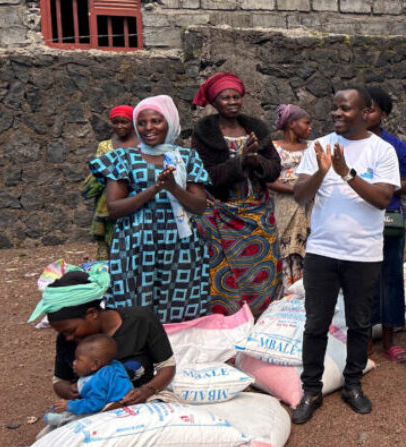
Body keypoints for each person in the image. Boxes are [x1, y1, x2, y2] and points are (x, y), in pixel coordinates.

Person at [289, 86, 399, 424]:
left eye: (345, 109)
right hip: (322, 251)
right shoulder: (318, 147)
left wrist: (346, 174)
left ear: (366, 112)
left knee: (359, 323)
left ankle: (353, 385)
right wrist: (323, 171)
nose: (336, 114)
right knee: (316, 323)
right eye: (334, 108)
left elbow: (382, 199)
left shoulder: (382, 151)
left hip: (363, 253)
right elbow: (299, 195)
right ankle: (311, 389)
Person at [89, 96, 211, 323]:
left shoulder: (187, 158)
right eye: (142, 123)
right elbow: (114, 209)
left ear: (171, 123)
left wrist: (173, 187)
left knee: (180, 301)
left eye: (156, 121)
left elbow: (200, 206)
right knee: (135, 305)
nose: (148, 128)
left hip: (181, 244)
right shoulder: (123, 158)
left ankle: (177, 353)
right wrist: (155, 189)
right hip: (135, 243)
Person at [191, 72, 282, 317]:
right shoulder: (204, 132)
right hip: (222, 215)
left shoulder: (256, 128)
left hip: (258, 215)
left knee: (266, 268)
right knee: (224, 275)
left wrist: (256, 161)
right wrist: (242, 160)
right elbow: (207, 176)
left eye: (236, 97)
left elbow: (274, 169)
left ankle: (262, 320)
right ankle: (230, 326)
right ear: (214, 102)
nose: (232, 102)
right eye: (225, 98)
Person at [31, 267, 177, 409]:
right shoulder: (66, 339)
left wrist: (147, 390)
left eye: (71, 331)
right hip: (94, 406)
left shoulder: (141, 320)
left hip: (143, 400)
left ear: (92, 313)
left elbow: (167, 366)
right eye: (63, 333)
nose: (68, 338)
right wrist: (70, 391)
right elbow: (60, 380)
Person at [364, 86, 406, 364]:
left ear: (383, 114)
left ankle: (389, 340)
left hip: (388, 220)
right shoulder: (347, 144)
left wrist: (381, 188)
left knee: (390, 278)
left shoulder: (396, 147)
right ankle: (364, 339)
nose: (364, 113)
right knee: (359, 280)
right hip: (356, 222)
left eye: (370, 108)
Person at [82, 105, 139, 260]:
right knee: (109, 241)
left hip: (135, 200)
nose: (119, 126)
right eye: (115, 122)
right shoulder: (105, 146)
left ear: (133, 123)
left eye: (124, 122)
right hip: (109, 202)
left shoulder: (142, 145)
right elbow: (98, 172)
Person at [268, 104, 313, 293]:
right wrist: (296, 190)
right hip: (284, 205)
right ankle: (286, 294)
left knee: (309, 247)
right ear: (292, 124)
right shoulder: (273, 148)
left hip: (309, 204)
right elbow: (268, 180)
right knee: (285, 249)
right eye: (307, 123)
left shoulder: (312, 148)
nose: (310, 128)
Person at [43, 334, 133, 427]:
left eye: (78, 360)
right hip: (127, 403)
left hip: (111, 410)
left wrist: (69, 405)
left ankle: (64, 420)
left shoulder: (98, 381)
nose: (74, 363)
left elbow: (95, 405)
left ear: (95, 365)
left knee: (81, 419)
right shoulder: (114, 366)